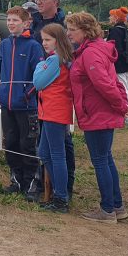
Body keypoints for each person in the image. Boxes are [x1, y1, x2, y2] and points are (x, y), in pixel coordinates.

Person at [66, 11, 128, 224]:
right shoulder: (96, 50)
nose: (69, 34)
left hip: (97, 112)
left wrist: (121, 105)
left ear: (85, 31)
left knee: (101, 160)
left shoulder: (91, 53)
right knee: (106, 158)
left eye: (73, 30)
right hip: (99, 111)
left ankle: (107, 209)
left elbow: (104, 84)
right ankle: (117, 205)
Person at [0, 6, 43, 201]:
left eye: (15, 20)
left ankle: (32, 185)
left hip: (26, 106)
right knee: (10, 143)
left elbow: (39, 76)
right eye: (9, 20)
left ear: (26, 23)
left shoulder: (34, 46)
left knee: (27, 145)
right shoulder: (5, 44)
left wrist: (27, 94)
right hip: (6, 103)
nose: (11, 23)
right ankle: (15, 180)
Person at [33, 23, 74, 213]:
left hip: (54, 111)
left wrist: (39, 66)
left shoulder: (54, 61)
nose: (44, 43)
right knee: (45, 152)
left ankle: (61, 197)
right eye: (43, 40)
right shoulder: (60, 59)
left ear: (58, 40)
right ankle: (60, 193)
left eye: (48, 40)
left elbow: (38, 82)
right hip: (52, 110)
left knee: (56, 155)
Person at [106, 6, 128, 122]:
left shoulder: (115, 31)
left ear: (115, 18)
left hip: (120, 65)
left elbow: (115, 49)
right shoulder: (126, 29)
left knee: (123, 91)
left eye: (111, 16)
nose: (109, 18)